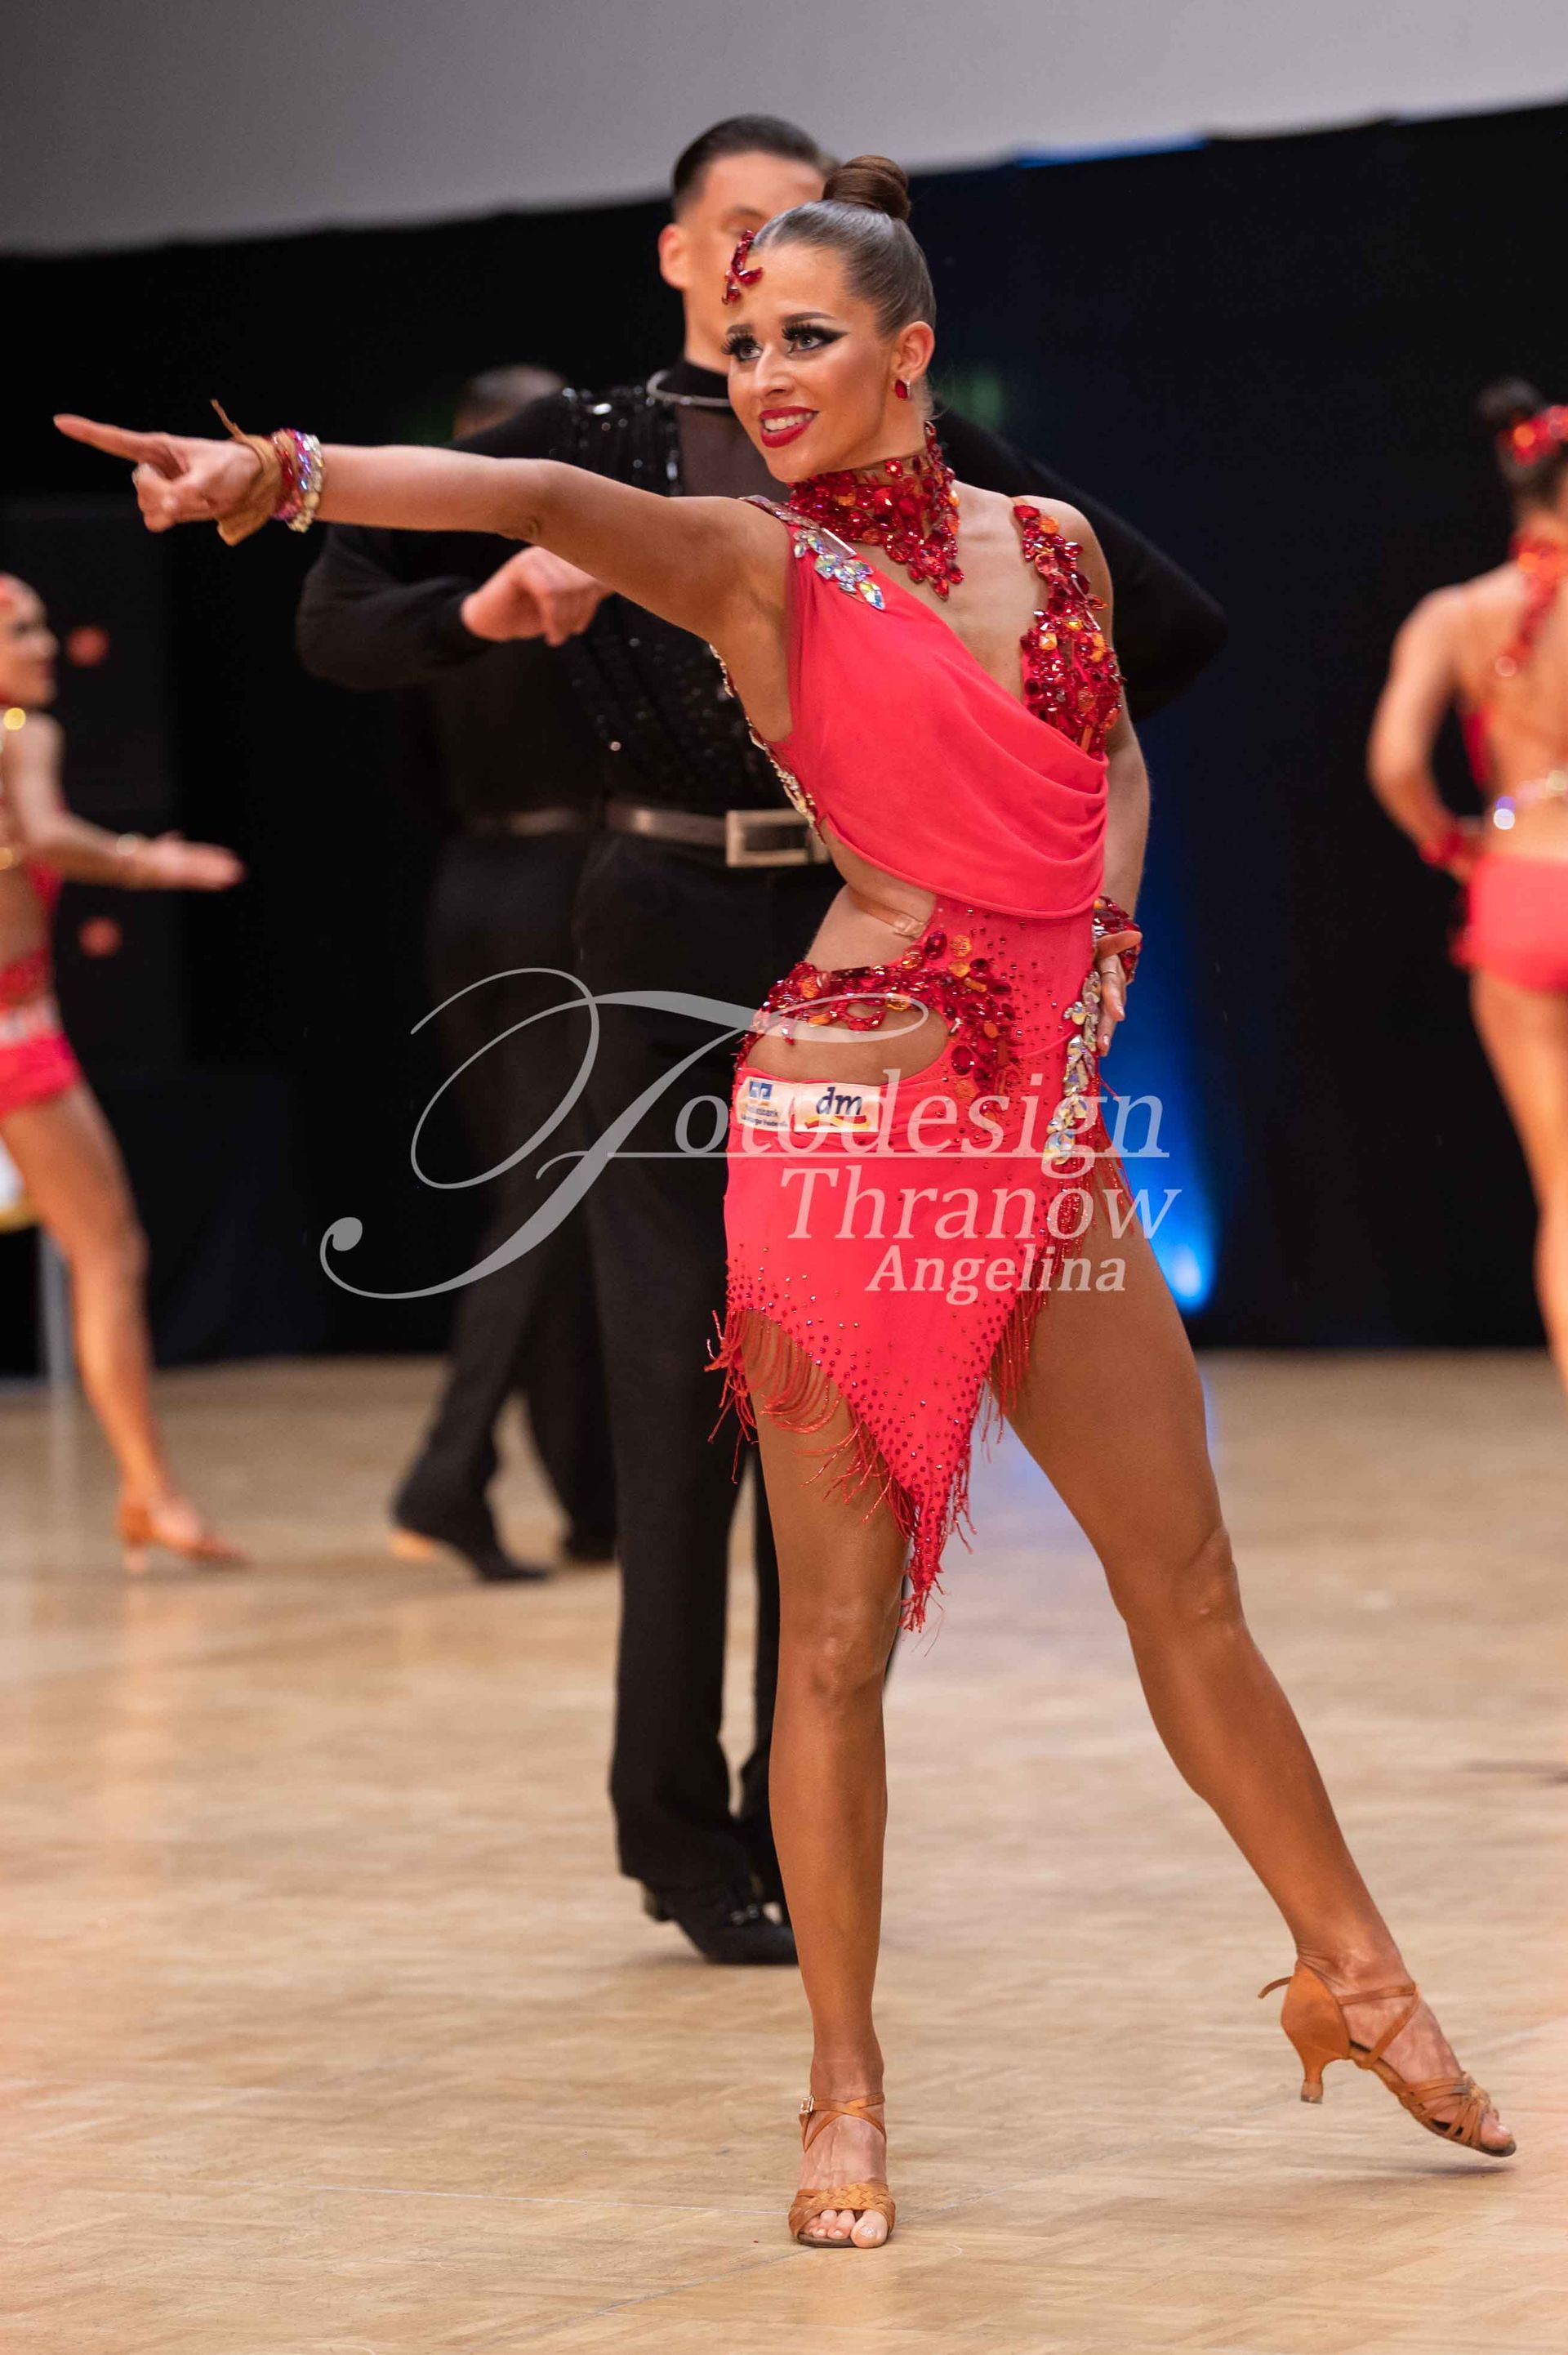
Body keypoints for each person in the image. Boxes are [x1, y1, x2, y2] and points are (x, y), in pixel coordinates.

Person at [60, 147, 1515, 2245]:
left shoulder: (1055, 548)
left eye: (805, 337)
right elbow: (530, 494)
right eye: (743, 344)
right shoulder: (752, 563)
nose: (762, 377)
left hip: (1038, 1133)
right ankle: (842, 2086)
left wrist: (1110, 929)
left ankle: (1354, 1974)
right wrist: (284, 476)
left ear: (912, 351)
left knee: (1186, 1584)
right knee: (830, 1637)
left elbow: (1112, 759)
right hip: (845, 1127)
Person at [294, 114, 1227, 1967]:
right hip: (661, 920)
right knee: (674, 1383)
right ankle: (677, 1823)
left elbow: (1152, 639)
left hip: (872, 941)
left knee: (840, 1412)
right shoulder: (597, 437)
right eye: (738, 265)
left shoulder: (905, 454)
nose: (764, 307)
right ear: (677, 258)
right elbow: (350, 616)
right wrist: (472, 595)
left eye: (801, 280)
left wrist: (1016, 832)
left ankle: (799, 1804)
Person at [379, 363, 617, 1585]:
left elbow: (409, 768)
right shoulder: (579, 583)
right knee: (543, 1199)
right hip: (562, 894)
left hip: (467, 890)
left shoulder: (436, 601)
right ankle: (450, 1469)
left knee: (540, 1197)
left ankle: (591, 1500)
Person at [0, 574, 246, 1569]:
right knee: (107, 1251)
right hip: (13, 1033)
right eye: (20, 631)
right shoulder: (21, 734)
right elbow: (48, 836)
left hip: (24, 1020)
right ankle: (151, 1491)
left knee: (105, 1248)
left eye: (42, 625)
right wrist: (152, 862)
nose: (44, 644)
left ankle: (150, 1491)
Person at [1370, 379, 1568, 1394]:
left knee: (1566, 1188)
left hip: (1521, 892)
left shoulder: (1457, 614)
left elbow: (1396, 762)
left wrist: (1451, 846)